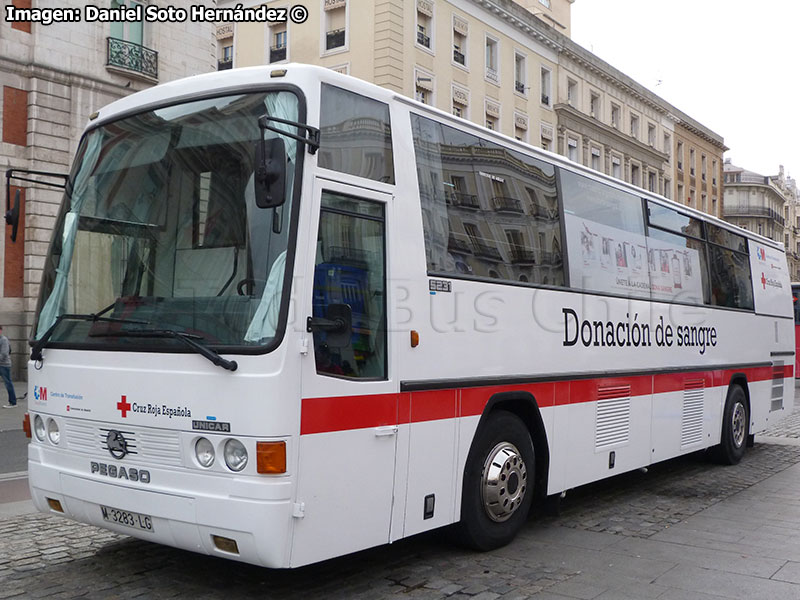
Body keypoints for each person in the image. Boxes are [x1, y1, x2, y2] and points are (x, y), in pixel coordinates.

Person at [0, 325, 17, 408]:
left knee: (8, 383)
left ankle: (13, 402)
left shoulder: (3, 340)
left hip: (4, 365)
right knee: (8, 383)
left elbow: (4, 353)